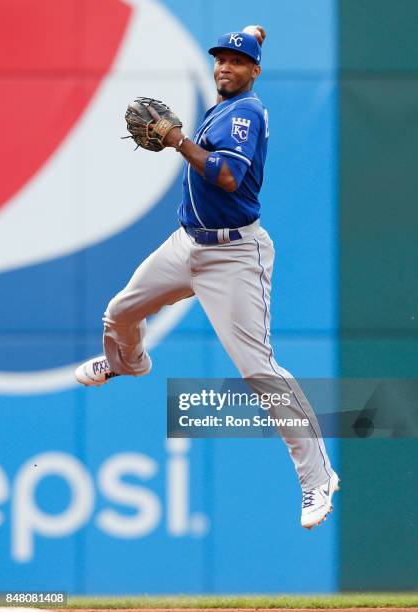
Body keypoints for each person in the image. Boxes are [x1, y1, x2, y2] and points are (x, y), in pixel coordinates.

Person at [75, 27, 339, 529]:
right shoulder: (224, 106)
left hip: (235, 257)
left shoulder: (246, 111)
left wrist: (176, 139)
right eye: (221, 59)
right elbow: (251, 44)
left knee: (260, 372)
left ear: (255, 72)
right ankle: (128, 364)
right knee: (120, 313)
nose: (225, 67)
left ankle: (317, 478)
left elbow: (225, 176)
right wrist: (257, 33)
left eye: (238, 61)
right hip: (188, 243)